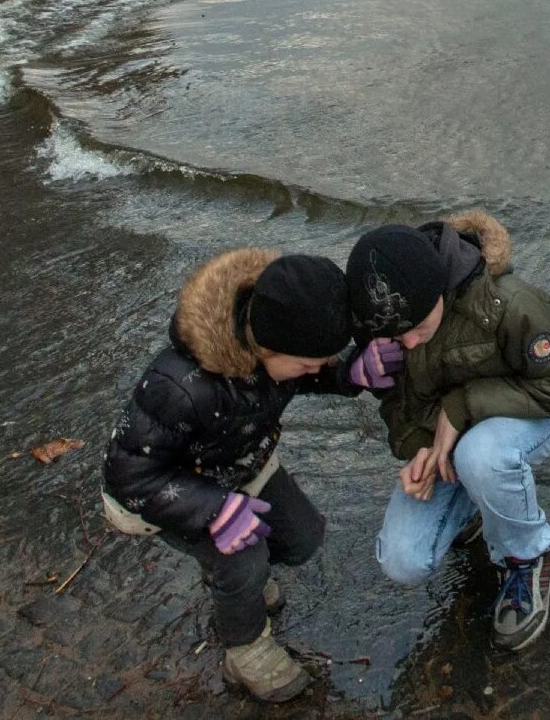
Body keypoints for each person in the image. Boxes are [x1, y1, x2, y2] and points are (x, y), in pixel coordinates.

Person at [101, 250, 403, 703]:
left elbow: (301, 374)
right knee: (244, 562)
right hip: (167, 492)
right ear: (265, 348)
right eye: (309, 362)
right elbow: (127, 476)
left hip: (243, 465)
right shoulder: (178, 386)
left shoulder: (276, 342)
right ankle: (246, 651)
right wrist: (212, 509)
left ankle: (232, 585)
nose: (314, 369)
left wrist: (350, 372)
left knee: (303, 537)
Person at [349, 209, 550, 653]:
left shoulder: (511, 303)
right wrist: (419, 447)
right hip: (449, 442)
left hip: (532, 416)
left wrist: (461, 406)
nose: (411, 344)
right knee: (402, 560)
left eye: (419, 328)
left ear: (440, 290)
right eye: (401, 338)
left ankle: (528, 556)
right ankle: (479, 505)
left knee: (482, 454)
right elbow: (398, 407)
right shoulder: (390, 322)